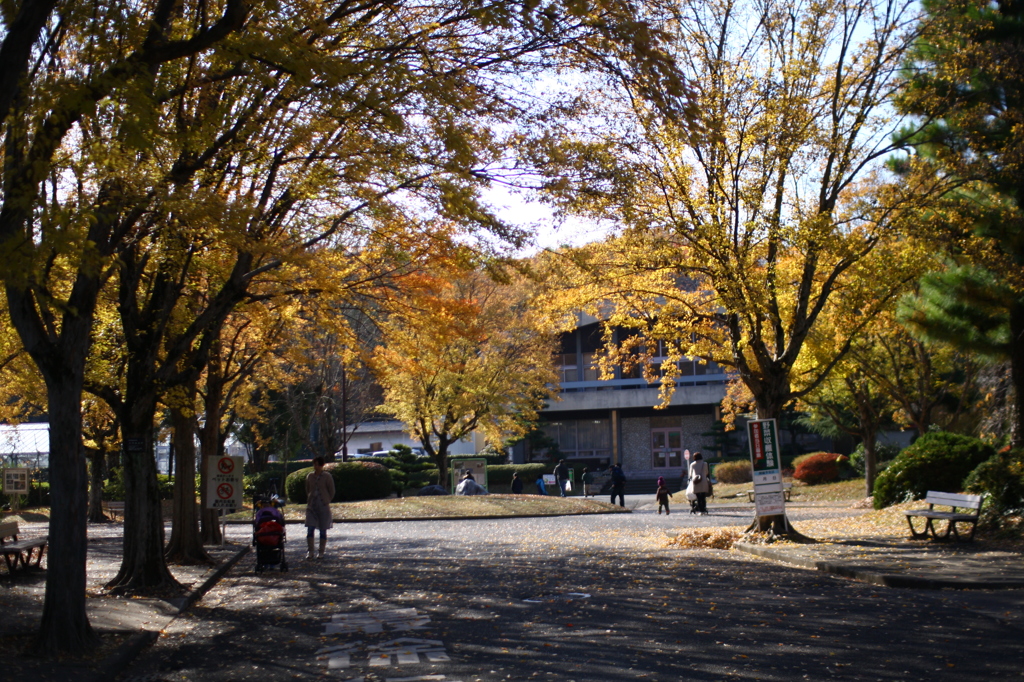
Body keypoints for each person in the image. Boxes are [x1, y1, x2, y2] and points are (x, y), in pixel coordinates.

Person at [305, 456, 335, 560]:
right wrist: (310, 498)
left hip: (323, 506)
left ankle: (321, 551)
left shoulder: (327, 476)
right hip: (312, 506)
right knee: (310, 528)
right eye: (315, 464)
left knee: (323, 529)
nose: (316, 467)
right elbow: (307, 489)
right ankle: (310, 551)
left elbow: (332, 490)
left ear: (322, 465)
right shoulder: (310, 476)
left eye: (318, 465)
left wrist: (327, 500)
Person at [688, 451, 711, 515]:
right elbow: (706, 473)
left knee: (698, 497)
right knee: (703, 496)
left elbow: (690, 474)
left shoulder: (692, 465)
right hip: (703, 481)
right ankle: (703, 509)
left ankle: (700, 509)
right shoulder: (705, 464)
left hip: (696, 482)